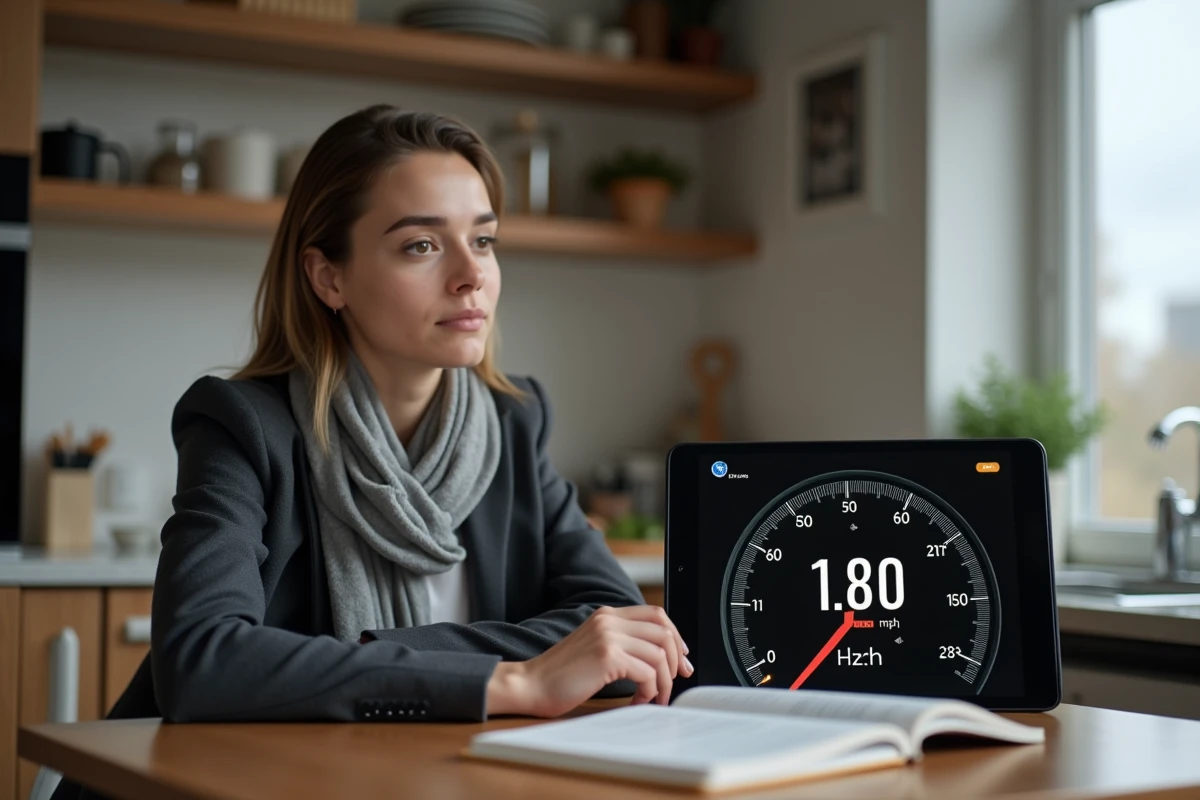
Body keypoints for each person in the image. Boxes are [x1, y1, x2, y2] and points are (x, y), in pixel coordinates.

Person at [51, 103, 692, 800]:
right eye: (421, 245)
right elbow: (202, 660)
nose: (470, 276)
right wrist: (516, 677)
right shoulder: (243, 424)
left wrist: (344, 662)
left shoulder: (514, 424)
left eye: (483, 241)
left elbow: (624, 648)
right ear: (329, 278)